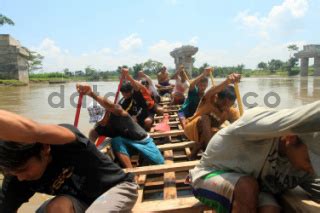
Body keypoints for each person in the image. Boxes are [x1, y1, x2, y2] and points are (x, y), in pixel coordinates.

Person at [188, 101, 320, 213]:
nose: (310, 169)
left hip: (257, 188)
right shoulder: (255, 127)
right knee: (247, 187)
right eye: (309, 161)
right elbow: (291, 118)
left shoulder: (306, 169)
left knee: (270, 209)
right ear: (290, 138)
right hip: (209, 174)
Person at [0, 110, 138, 213]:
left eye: (24, 169)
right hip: (79, 202)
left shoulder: (66, 141)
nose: (21, 177)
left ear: (45, 148)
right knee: (58, 207)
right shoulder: (15, 174)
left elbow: (35, 131)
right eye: (14, 173)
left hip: (115, 188)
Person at [79, 82, 164, 168]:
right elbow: (92, 135)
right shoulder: (99, 127)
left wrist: (91, 94)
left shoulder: (120, 115)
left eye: (101, 118)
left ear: (108, 112)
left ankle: (143, 157)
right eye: (97, 120)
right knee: (116, 140)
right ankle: (130, 172)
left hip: (142, 141)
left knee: (159, 163)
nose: (100, 122)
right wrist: (91, 150)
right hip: (126, 145)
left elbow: (111, 105)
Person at [184, 73, 241, 160]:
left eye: (228, 104)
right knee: (205, 118)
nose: (225, 106)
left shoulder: (232, 111)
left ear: (232, 103)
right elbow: (212, 91)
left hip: (207, 133)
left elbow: (238, 125)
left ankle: (194, 153)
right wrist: (227, 81)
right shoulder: (209, 101)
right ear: (217, 97)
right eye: (223, 102)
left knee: (218, 130)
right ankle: (209, 153)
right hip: (192, 130)